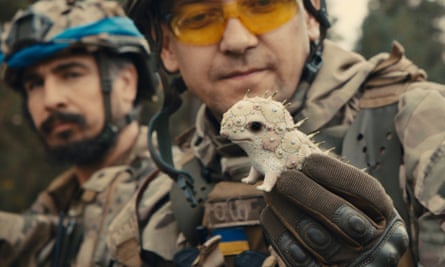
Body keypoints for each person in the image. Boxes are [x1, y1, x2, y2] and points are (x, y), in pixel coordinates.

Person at [121, 0, 445, 266]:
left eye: (263, 5)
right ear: (167, 48)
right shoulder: (153, 203)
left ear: (310, 16)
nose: (237, 40)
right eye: (200, 18)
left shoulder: (422, 129)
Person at [0, 0, 182, 266]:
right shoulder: (58, 205)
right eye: (34, 84)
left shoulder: (177, 191)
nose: (50, 100)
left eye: (71, 74)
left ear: (126, 83)